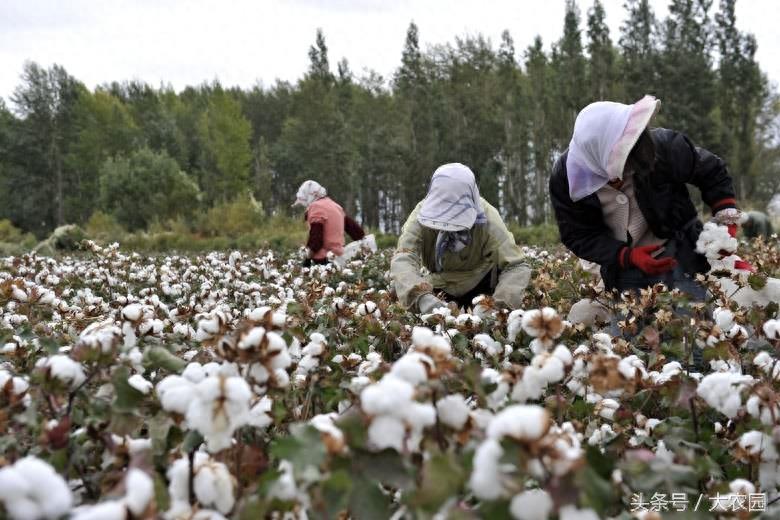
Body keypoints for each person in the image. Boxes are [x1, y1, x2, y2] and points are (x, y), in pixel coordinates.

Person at [549, 95, 744, 297]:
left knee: (693, 311)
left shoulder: (664, 147)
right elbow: (578, 235)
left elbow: (711, 171)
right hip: (623, 265)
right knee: (635, 322)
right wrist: (626, 256)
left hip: (679, 248)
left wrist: (726, 219)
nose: (625, 176)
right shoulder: (566, 179)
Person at [391, 163, 531, 313]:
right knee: (401, 288)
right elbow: (404, 257)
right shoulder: (419, 217)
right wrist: (421, 297)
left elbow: (516, 265)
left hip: (481, 283)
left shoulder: (488, 219)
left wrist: (499, 306)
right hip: (438, 287)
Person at [292, 180, 365, 267]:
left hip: (323, 261)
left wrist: (307, 259)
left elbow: (316, 240)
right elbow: (357, 232)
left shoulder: (315, 207)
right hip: (339, 258)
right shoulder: (335, 206)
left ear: (309, 195)